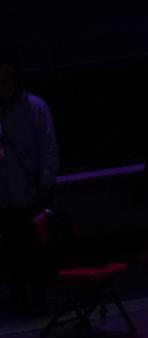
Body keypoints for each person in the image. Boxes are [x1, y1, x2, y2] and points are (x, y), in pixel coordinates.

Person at [0, 48, 57, 314]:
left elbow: (48, 147)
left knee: (35, 249)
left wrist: (46, 182)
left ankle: (39, 297)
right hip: (4, 196)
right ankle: (19, 299)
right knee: (11, 251)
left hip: (31, 191)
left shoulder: (35, 107)